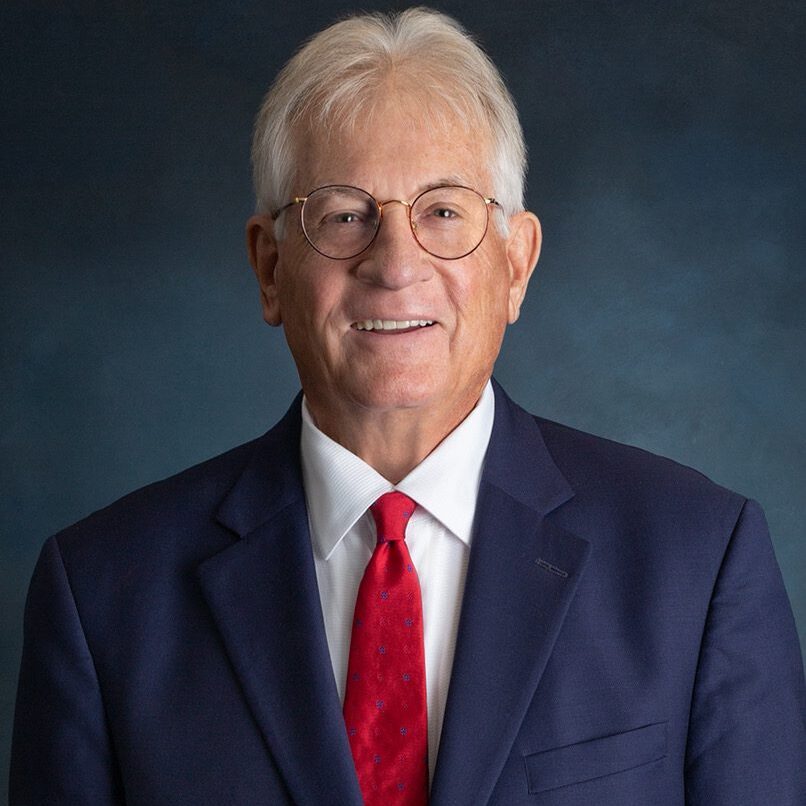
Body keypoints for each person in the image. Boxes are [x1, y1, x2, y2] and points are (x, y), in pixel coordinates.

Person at [10, 7, 805, 805]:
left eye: (444, 211)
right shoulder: (104, 592)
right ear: (268, 268)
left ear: (517, 264)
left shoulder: (697, 562)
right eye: (345, 215)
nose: (395, 266)